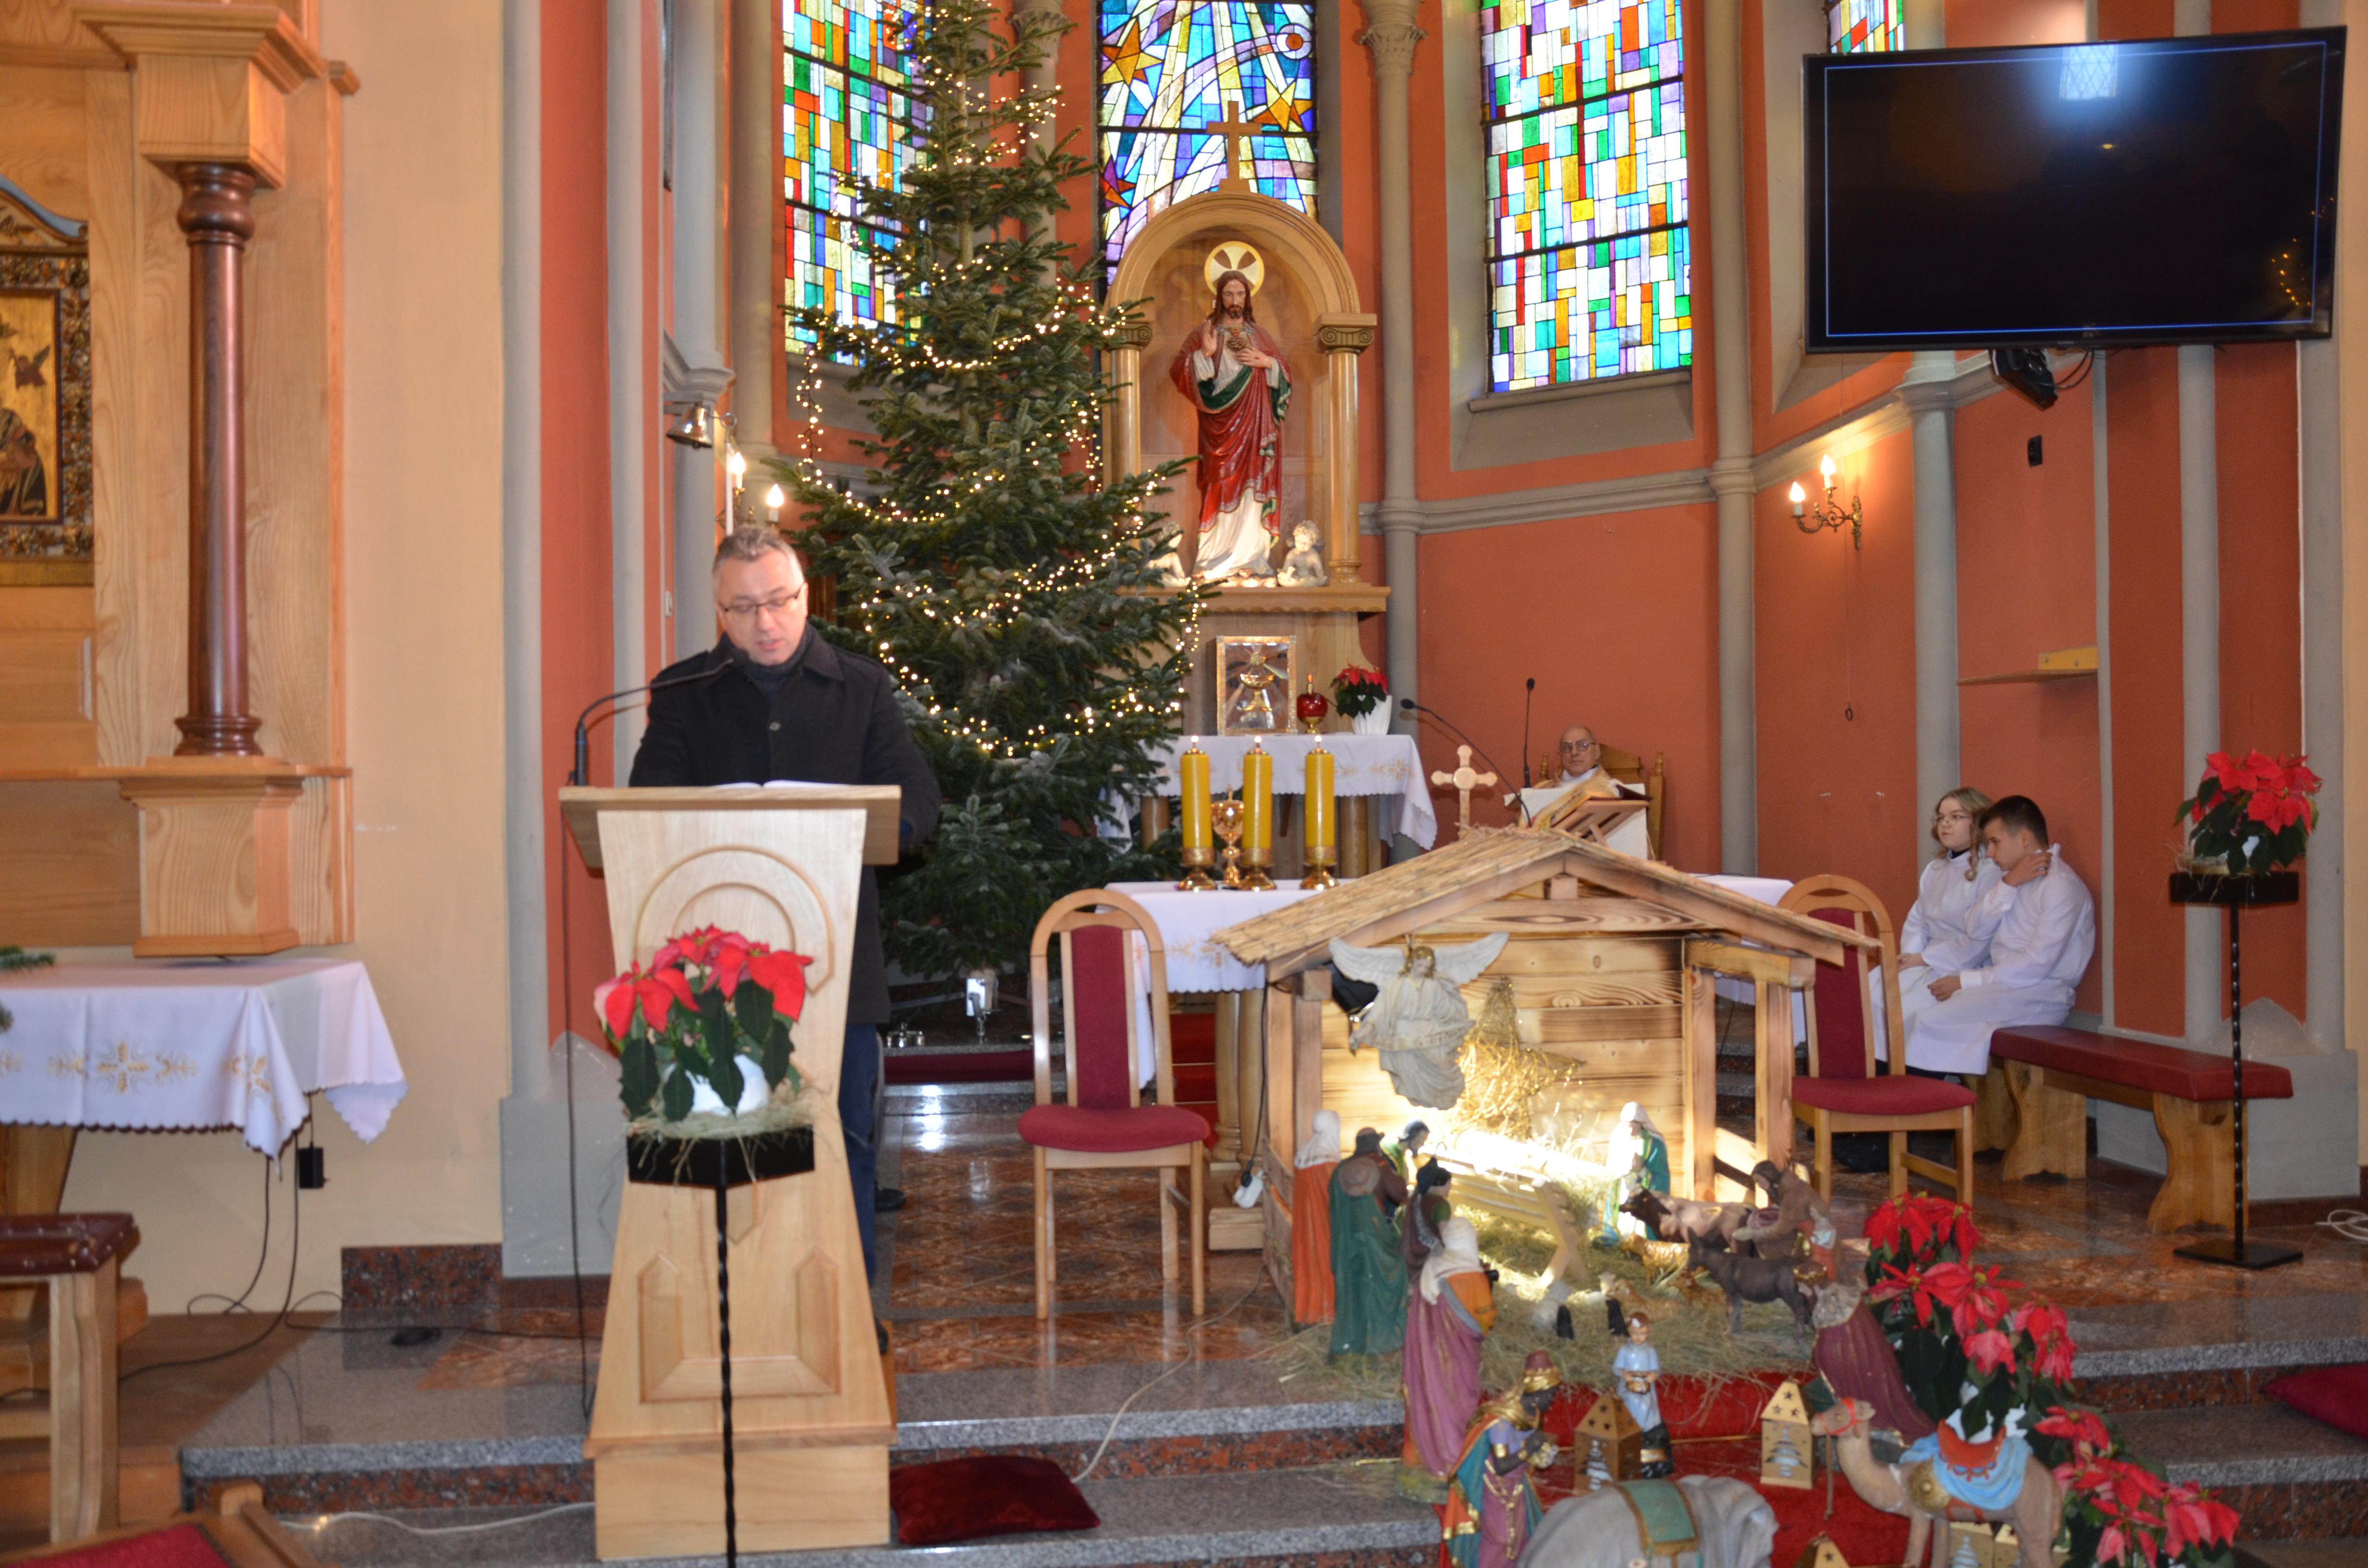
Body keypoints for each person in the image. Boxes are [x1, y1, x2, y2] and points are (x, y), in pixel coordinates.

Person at [629, 528, 942, 1282]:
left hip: (836, 964)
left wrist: (864, 830)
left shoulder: (860, 687)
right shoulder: (682, 693)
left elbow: (918, 799)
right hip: (716, 969)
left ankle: (847, 1314)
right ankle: (738, 1314)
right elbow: (647, 805)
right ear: (720, 612)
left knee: (843, 1141)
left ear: (805, 597)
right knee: (726, 1143)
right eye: (744, 608)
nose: (766, 622)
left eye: (779, 601)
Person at [1898, 796, 2095, 1077]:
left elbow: (2035, 966)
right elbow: (1975, 928)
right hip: (2005, 986)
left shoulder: (2061, 887)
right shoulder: (2012, 878)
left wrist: (1964, 981)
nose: (1989, 853)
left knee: (1931, 1021)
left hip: (2040, 994)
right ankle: (1919, 1101)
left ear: (2024, 839)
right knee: (1920, 1015)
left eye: (1995, 842)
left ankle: (1928, 1104)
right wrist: (2008, 884)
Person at [1168, 269, 1289, 582]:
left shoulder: (1260, 335)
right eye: (1228, 294)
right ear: (1219, 297)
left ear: (1247, 298)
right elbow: (1178, 371)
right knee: (1220, 484)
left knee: (1252, 484)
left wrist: (1268, 363)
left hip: (1256, 421)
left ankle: (1252, 558)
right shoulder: (1205, 331)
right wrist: (1204, 355)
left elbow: (1284, 373)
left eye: (1240, 294)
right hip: (1219, 424)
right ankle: (1212, 559)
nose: (1235, 300)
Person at [1870, 788, 2006, 1063]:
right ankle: (1871, 1076)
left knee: (1906, 1011)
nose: (1945, 824)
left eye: (1956, 817)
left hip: (1960, 966)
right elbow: (1919, 920)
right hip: (1923, 960)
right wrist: (1910, 956)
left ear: (1978, 821)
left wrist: (1923, 959)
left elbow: (1979, 939)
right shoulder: (1935, 870)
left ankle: (1905, 1078)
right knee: (1869, 994)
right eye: (1941, 817)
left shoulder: (1991, 871)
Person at [1442, 1351, 1562, 1568]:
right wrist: (1529, 1450)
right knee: (1500, 1541)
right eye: (1550, 1395)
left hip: (1517, 1487)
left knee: (1520, 1539)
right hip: (1496, 1488)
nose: (1552, 1401)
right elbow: (1501, 1466)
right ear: (1537, 1394)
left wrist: (1542, 1454)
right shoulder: (1503, 1422)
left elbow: (1532, 1450)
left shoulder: (1534, 1414)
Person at [1403, 1217, 1496, 1490]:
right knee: (1457, 1401)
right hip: (1459, 1357)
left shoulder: (1432, 1269)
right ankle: (1453, 1458)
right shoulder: (1473, 1276)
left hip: (1428, 1356)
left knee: (1429, 1397)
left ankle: (1420, 1455)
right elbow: (1486, 1317)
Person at [1329, 1127, 1411, 1358]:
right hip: (1374, 1241)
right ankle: (1382, 1337)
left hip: (1345, 1244)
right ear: (1376, 1145)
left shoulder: (1340, 1169)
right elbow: (1401, 1194)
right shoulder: (1378, 1165)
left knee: (1353, 1289)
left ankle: (1353, 1337)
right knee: (1397, 1269)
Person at [1509, 726, 1649, 857]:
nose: (1574, 753)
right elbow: (1517, 840)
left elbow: (1634, 842)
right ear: (1560, 754)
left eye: (1583, 745)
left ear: (1597, 752)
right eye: (1567, 747)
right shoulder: (1541, 792)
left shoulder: (1616, 794)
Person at [1291, 1109, 1341, 1324]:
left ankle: (1307, 1312)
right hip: (1324, 1223)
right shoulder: (1329, 1162)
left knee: (1307, 1266)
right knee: (1325, 1265)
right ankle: (1325, 1313)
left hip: (1304, 1223)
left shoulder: (1304, 1154)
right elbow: (1333, 1197)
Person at [1613, 1310, 1674, 1477]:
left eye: (1642, 1334)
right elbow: (1616, 1368)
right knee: (1633, 1402)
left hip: (1645, 1385)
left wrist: (1653, 1376)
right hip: (1629, 1386)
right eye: (1635, 1334)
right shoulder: (1625, 1351)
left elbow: (1656, 1369)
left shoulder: (1650, 1351)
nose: (1638, 1338)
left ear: (1647, 1333)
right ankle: (1633, 1430)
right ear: (1630, 1333)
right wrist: (1624, 1375)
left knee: (1647, 1405)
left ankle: (1646, 1432)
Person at [1598, 1101, 1669, 1244]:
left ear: (1641, 1123)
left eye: (1634, 1125)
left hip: (1642, 1195)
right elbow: (1611, 1168)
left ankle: (1640, 1242)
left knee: (1639, 1222)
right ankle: (1617, 1238)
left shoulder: (1655, 1145)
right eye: (1627, 1125)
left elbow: (1662, 1177)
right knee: (1623, 1218)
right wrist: (1622, 1171)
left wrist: (1641, 1169)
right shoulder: (1618, 1139)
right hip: (1622, 1191)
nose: (1630, 1129)